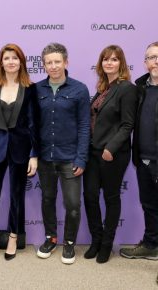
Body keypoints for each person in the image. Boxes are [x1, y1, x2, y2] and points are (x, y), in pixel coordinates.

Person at [0, 43, 39, 261]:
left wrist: (34, 154)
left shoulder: (30, 88)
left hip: (20, 149)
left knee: (17, 196)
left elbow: (34, 123)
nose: (11, 62)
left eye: (15, 58)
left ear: (21, 62)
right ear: (1, 62)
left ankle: (14, 237)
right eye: (7, 58)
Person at [36, 43, 90, 265]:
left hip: (70, 159)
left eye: (57, 61)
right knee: (47, 200)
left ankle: (69, 243)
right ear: (44, 65)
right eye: (49, 62)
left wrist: (81, 157)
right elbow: (32, 126)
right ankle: (51, 238)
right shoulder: (36, 89)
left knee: (73, 205)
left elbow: (85, 126)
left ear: (66, 63)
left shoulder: (79, 89)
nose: (53, 66)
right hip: (45, 158)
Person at [83, 45, 137, 263]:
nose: (109, 63)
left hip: (112, 154)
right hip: (93, 152)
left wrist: (110, 149)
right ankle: (95, 240)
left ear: (121, 64)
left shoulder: (126, 88)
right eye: (106, 59)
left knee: (111, 198)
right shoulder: (102, 88)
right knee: (89, 196)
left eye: (114, 60)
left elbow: (127, 124)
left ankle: (107, 244)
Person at [119, 42, 158, 267]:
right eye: (152, 57)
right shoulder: (140, 88)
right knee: (149, 205)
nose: (156, 61)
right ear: (145, 63)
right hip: (143, 159)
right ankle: (151, 245)